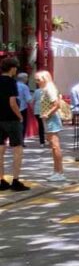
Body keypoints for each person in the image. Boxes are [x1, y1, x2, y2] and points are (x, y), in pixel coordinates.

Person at [0, 57, 27, 191]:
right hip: (11, 119)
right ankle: (15, 181)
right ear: (12, 68)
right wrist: (20, 116)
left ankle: (1, 180)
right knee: (17, 149)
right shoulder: (11, 82)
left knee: (0, 150)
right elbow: (12, 103)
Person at [36, 70, 66, 183]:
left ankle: (60, 172)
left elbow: (56, 105)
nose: (37, 82)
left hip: (51, 119)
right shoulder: (46, 89)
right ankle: (57, 171)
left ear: (44, 79)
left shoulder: (49, 89)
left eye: (38, 79)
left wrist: (47, 114)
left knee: (55, 146)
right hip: (49, 119)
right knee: (53, 147)